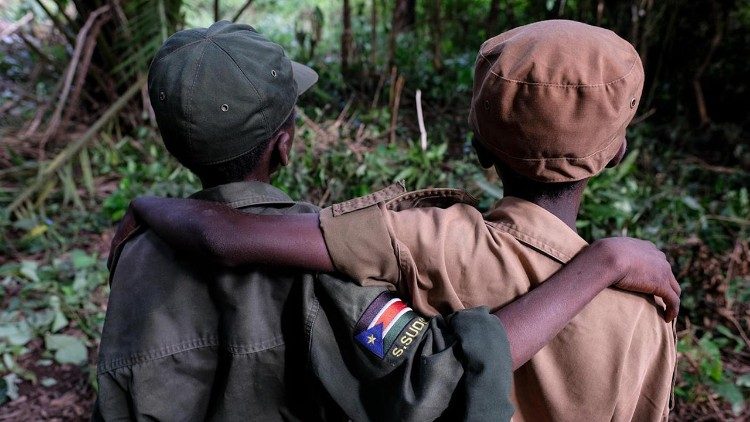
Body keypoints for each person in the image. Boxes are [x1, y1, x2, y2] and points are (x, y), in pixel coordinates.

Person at [127, 20, 679, 421]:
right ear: (616, 152)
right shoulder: (647, 308)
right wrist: (604, 260)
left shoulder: (425, 241)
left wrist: (143, 206)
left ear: (478, 145)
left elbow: (228, 239)